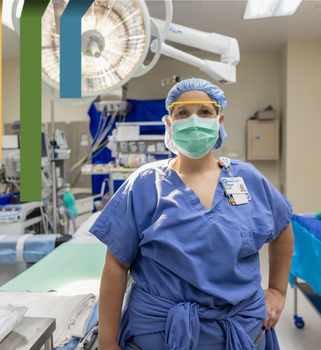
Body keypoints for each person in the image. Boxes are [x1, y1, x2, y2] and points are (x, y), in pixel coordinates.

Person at [90, 78, 294, 350]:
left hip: (241, 332)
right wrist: (106, 342)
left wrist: (278, 291)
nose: (194, 120)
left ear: (219, 121)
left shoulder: (248, 178)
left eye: (205, 112)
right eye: (183, 113)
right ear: (169, 123)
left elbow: (282, 228)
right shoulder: (145, 183)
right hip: (159, 334)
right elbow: (116, 265)